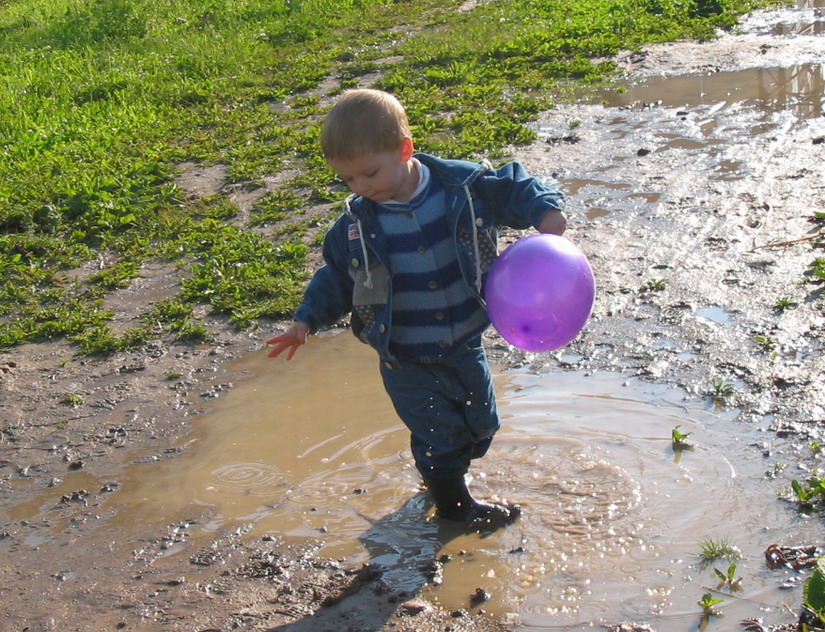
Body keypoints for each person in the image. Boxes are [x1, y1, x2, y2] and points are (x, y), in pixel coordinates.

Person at [267, 88, 567, 532]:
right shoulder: (355, 229)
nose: (361, 187)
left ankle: (440, 473)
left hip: (465, 341)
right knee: (440, 436)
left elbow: (515, 187)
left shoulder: (462, 190)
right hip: (404, 353)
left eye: (369, 173)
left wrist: (546, 213)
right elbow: (335, 278)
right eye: (349, 180)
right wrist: (305, 320)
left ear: (405, 150)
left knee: (481, 427)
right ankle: (454, 507)